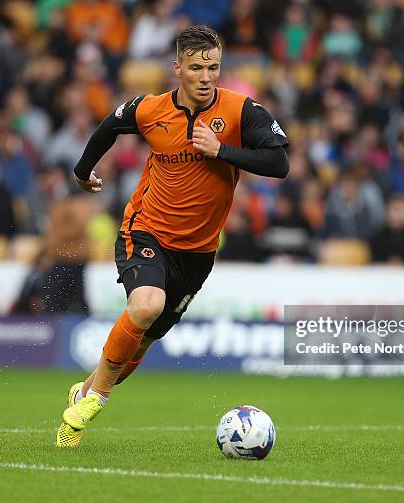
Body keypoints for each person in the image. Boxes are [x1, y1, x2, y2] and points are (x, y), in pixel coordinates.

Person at [56, 25, 289, 447]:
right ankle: (94, 402)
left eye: (214, 67)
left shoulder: (241, 111)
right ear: (177, 67)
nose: (206, 77)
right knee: (147, 303)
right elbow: (111, 124)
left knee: (139, 346)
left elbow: (279, 163)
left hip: (197, 252)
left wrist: (222, 151)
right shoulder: (150, 109)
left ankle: (86, 389)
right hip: (145, 229)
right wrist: (82, 169)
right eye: (197, 67)